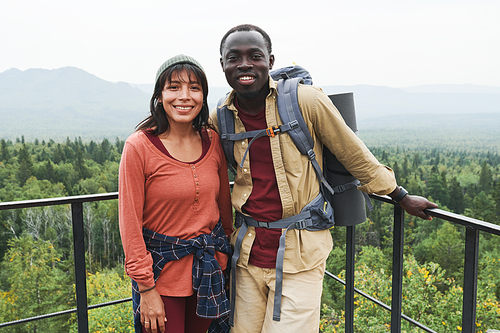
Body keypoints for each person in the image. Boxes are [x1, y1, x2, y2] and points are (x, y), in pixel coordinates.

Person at [210, 24, 438, 333]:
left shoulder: (305, 101)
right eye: (234, 57)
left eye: (255, 56)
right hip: (247, 255)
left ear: (271, 61)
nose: (245, 64)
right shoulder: (221, 116)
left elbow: (352, 153)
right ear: (223, 64)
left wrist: (399, 195)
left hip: (301, 254)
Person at [119, 54, 234, 333]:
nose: (184, 96)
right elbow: (130, 224)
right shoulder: (139, 147)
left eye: (194, 88)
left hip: (207, 272)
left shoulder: (211, 140)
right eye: (174, 87)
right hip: (161, 275)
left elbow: (223, 209)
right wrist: (146, 288)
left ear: (203, 96)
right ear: (159, 95)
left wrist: (223, 260)